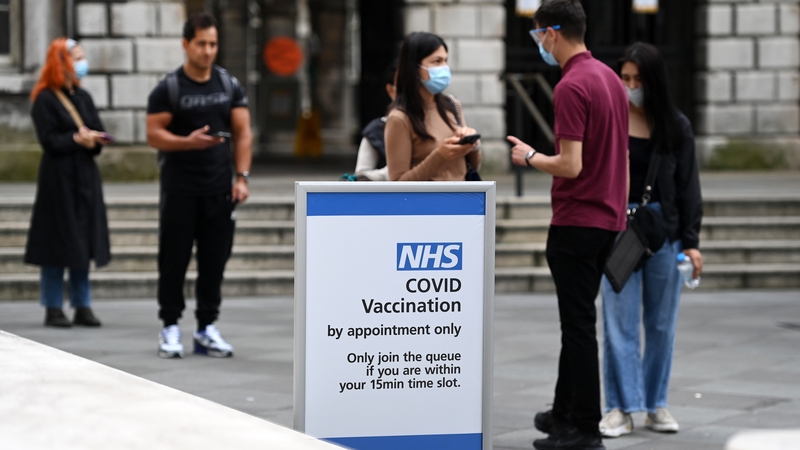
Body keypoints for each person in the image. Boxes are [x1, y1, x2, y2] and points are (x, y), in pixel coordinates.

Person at [506, 1, 628, 449]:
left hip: (577, 219)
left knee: (577, 326)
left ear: (552, 33)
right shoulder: (610, 79)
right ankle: (563, 412)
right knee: (576, 321)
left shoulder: (572, 85)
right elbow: (622, 157)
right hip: (607, 218)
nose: (538, 43)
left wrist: (529, 157)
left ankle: (583, 429)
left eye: (538, 35)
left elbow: (571, 165)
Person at [598, 42, 703, 438]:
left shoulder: (675, 126)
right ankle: (619, 408)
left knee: (661, 324)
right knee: (617, 324)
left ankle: (656, 403)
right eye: (624, 79)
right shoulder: (609, 120)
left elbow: (689, 186)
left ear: (654, 81)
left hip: (663, 231)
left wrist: (691, 242)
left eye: (638, 80)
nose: (630, 86)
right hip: (617, 229)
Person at [146, 12, 252, 359]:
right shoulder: (169, 88)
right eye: (201, 44)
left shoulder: (227, 85)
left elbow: (243, 133)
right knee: (173, 261)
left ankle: (207, 327)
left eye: (213, 44)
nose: (208, 51)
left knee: (214, 262)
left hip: (219, 190)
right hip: (179, 190)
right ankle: (170, 326)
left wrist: (241, 177)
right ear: (186, 45)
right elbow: (153, 134)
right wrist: (187, 142)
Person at [25, 38, 110, 328]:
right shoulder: (44, 98)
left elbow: (98, 131)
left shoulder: (83, 97)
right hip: (58, 179)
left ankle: (82, 304)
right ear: (61, 62)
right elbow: (48, 140)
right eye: (76, 58)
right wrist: (77, 139)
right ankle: (52, 306)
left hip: (84, 176)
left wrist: (94, 140)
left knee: (82, 242)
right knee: (56, 242)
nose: (81, 64)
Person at [385, 32, 481, 181]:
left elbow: (472, 166)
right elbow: (398, 183)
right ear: (415, 68)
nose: (444, 68)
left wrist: (472, 145)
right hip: (428, 202)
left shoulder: (452, 105)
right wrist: (439, 156)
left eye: (445, 61)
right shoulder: (400, 118)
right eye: (436, 61)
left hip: (462, 200)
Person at [350, 60, 398, 181]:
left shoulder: (444, 121)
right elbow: (361, 178)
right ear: (391, 90)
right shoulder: (377, 130)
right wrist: (397, 170)